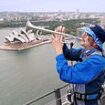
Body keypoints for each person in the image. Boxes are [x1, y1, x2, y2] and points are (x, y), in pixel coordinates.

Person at [52, 25, 105, 105]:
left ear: (95, 42)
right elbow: (68, 54)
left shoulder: (97, 61)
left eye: (88, 35)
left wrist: (59, 51)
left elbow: (67, 74)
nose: (83, 35)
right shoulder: (86, 52)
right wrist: (61, 39)